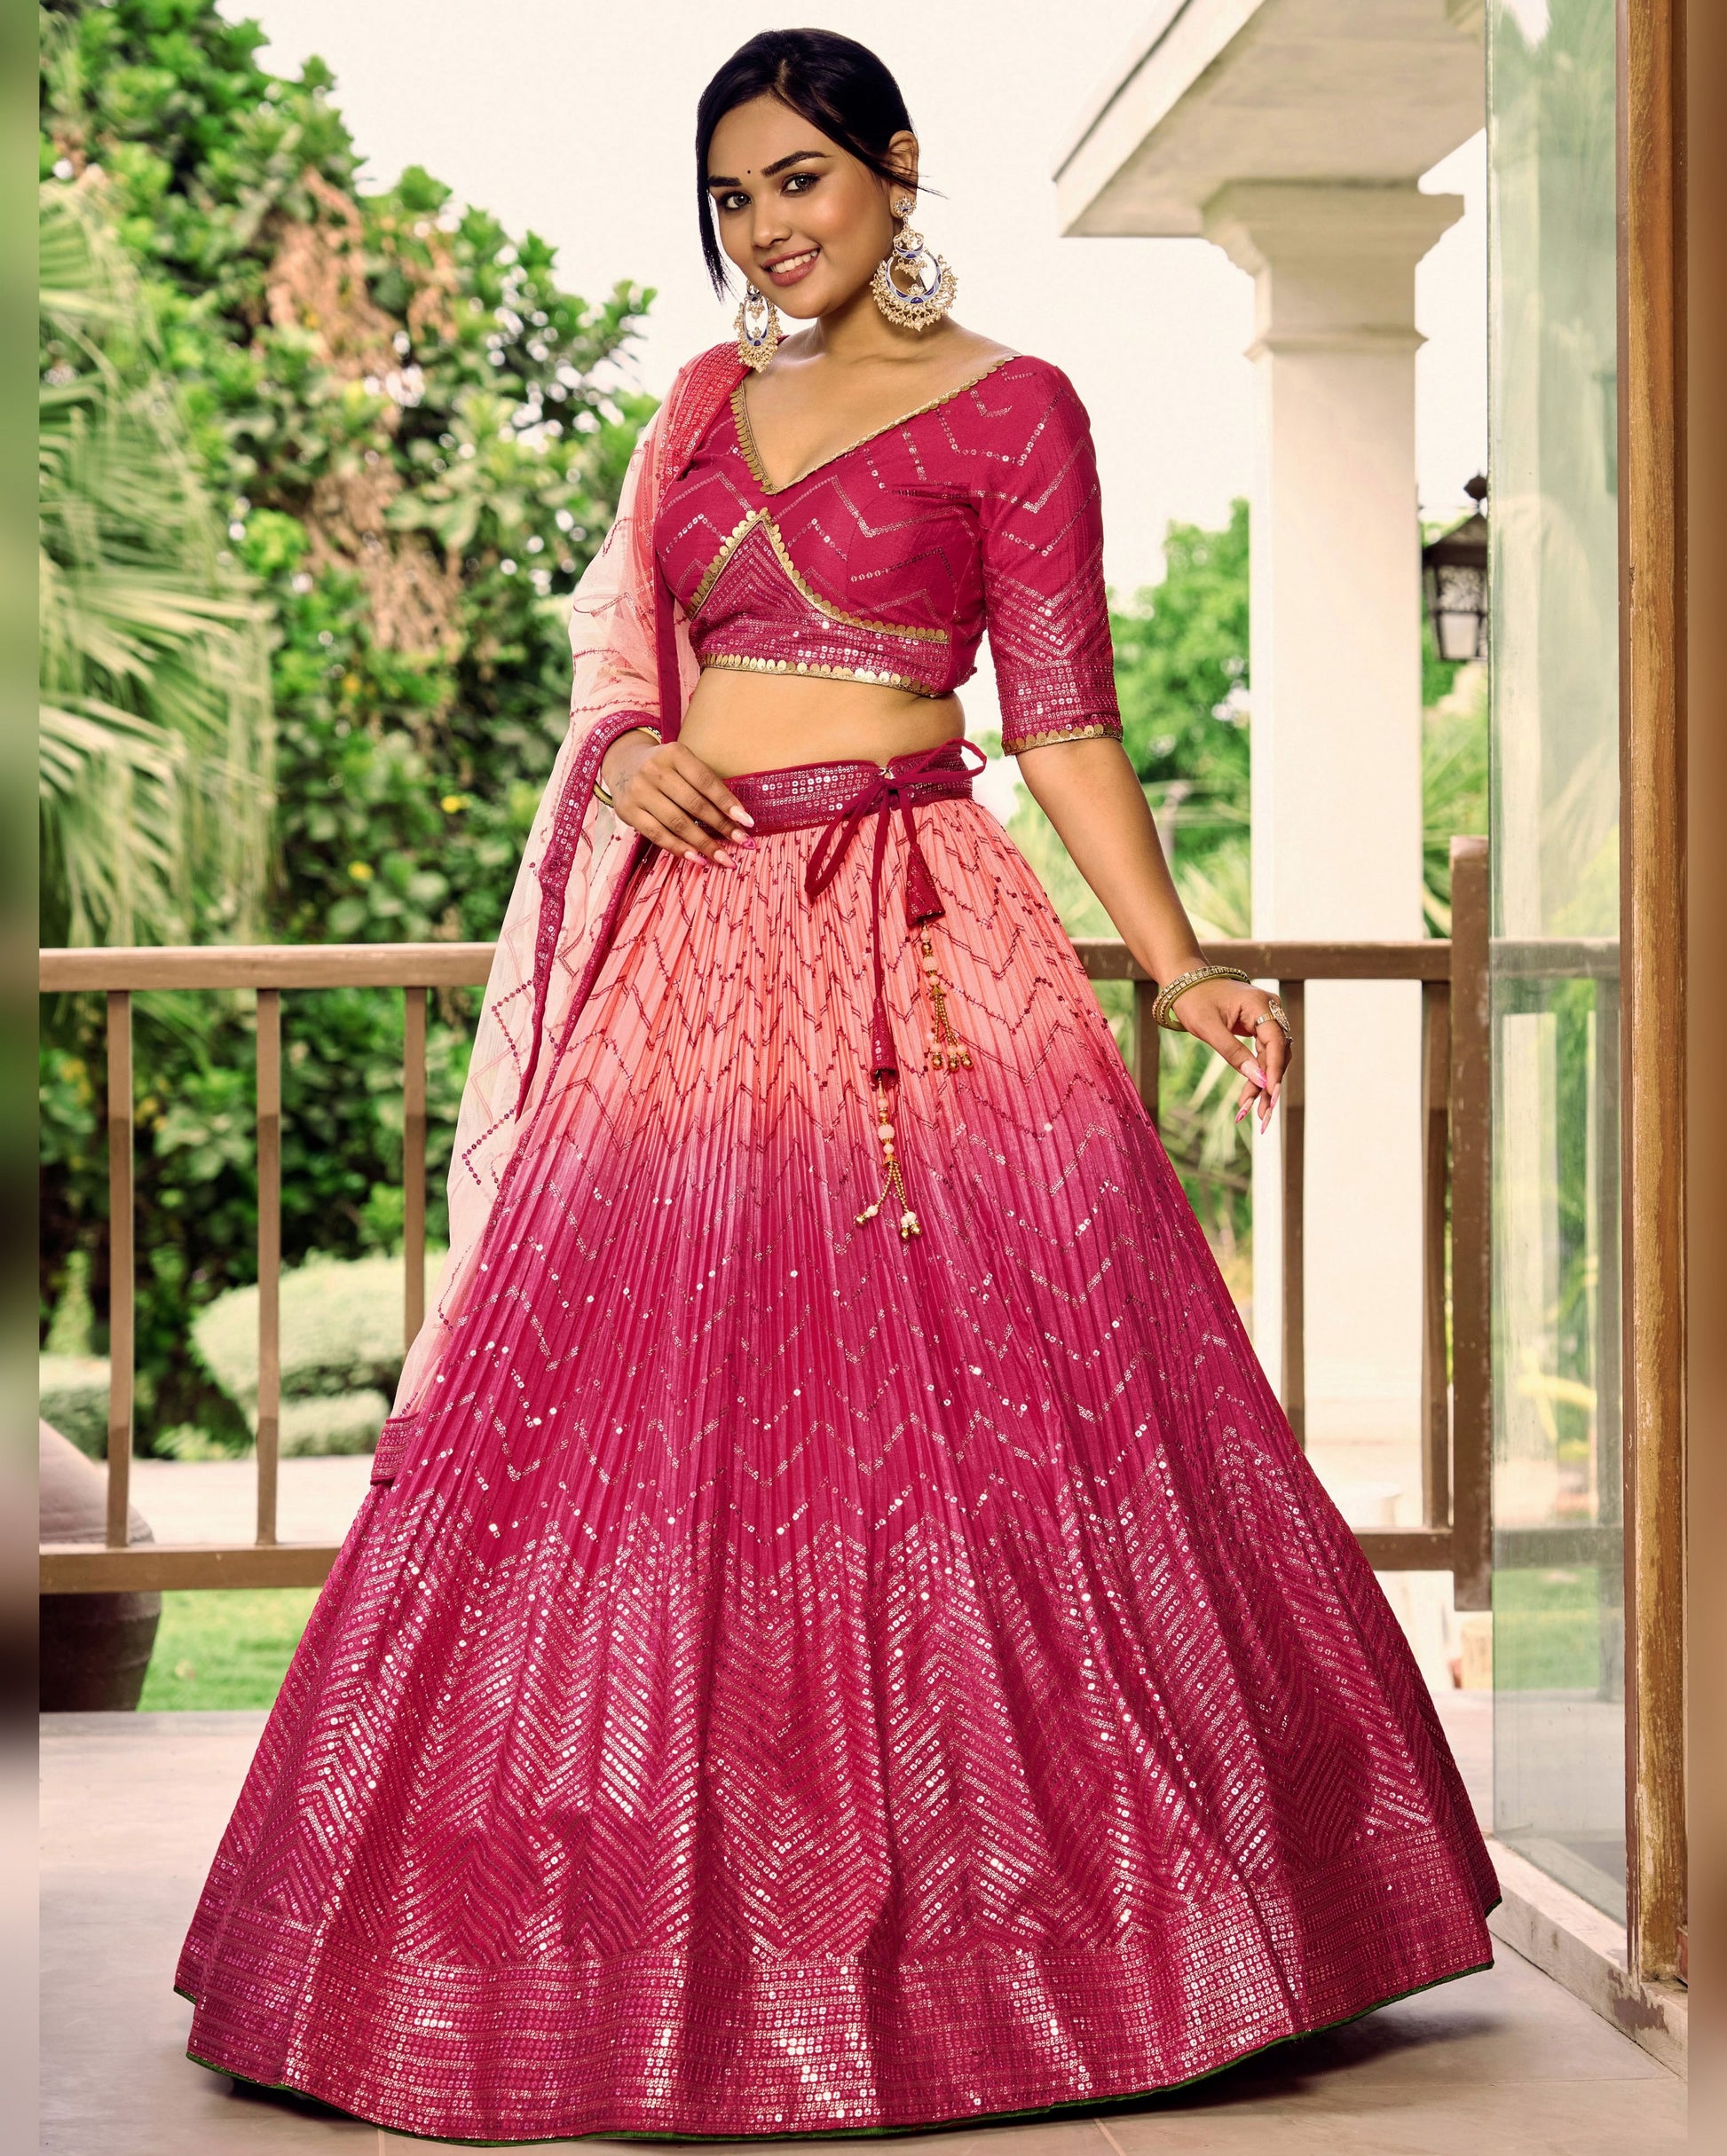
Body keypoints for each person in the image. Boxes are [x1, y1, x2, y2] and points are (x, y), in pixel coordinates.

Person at [176, 29, 1499, 2144]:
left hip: (914, 941)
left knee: (991, 1409)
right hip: (693, 947)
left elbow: (1060, 721)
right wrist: (626, 752)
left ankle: (1067, 1941)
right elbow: (627, 659)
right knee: (624, 1422)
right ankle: (579, 1948)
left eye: (799, 178)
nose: (767, 226)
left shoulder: (1013, 407)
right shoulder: (696, 408)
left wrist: (1175, 968)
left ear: (894, 170)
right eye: (731, 195)